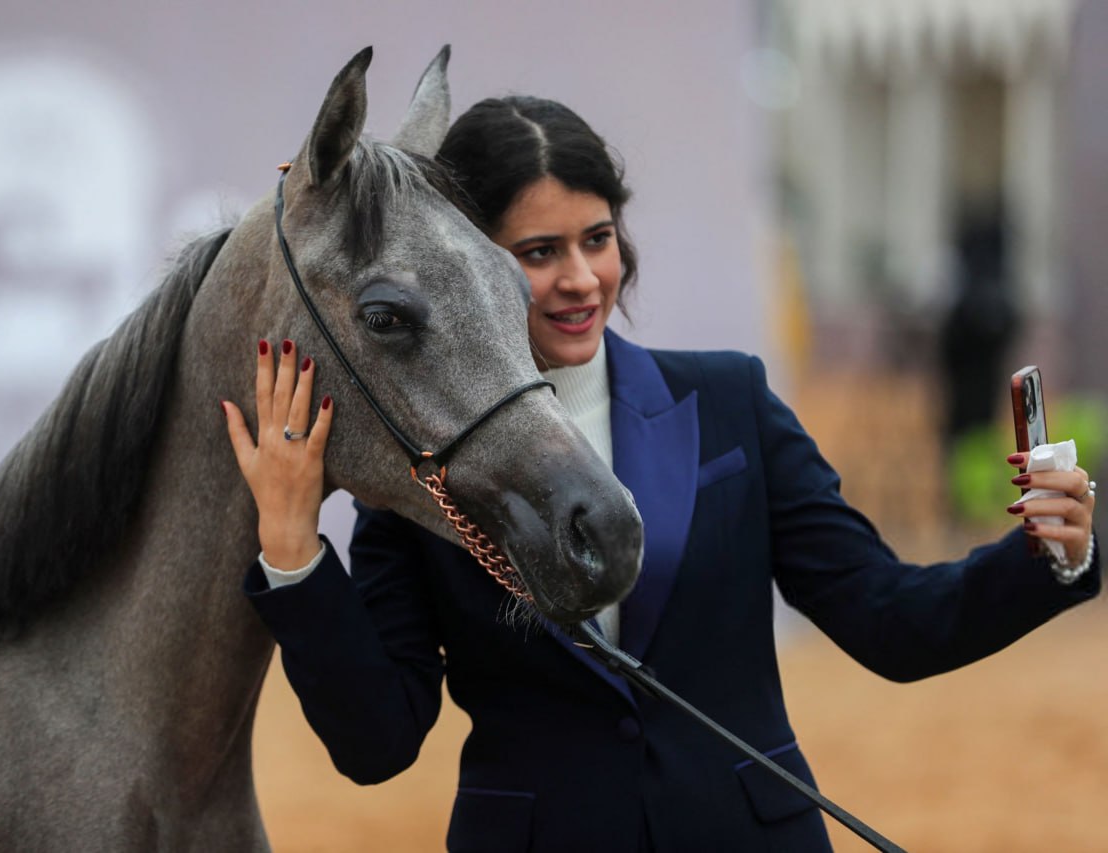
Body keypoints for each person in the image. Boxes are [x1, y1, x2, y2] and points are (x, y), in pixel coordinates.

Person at [222, 96, 1100, 852]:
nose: (580, 279)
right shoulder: (425, 469)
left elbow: (892, 621)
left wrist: (1045, 557)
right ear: (474, 266)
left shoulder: (730, 401)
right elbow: (376, 742)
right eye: (537, 252)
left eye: (597, 238)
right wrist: (295, 550)